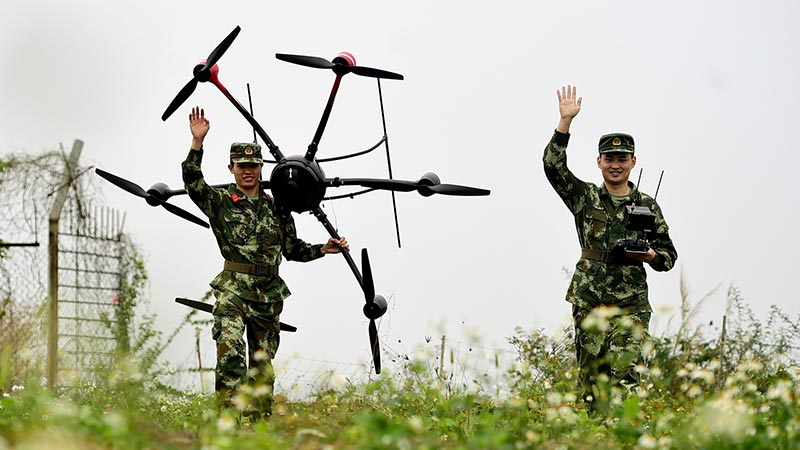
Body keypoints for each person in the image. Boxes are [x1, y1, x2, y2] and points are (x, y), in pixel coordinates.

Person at [182, 106, 348, 420]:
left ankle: (259, 427)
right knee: (230, 354)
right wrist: (197, 142)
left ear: (261, 168)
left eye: (254, 166)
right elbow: (193, 184)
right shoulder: (219, 202)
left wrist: (323, 249)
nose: (248, 171)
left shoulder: (279, 208)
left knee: (261, 366)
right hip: (233, 290)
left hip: (268, 295)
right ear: (231, 168)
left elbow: (292, 249)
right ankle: (227, 424)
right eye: (242, 166)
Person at [542, 86, 677, 411]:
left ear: (633, 162)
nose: (616, 165)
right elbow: (553, 167)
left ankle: (624, 432)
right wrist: (565, 123)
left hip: (630, 305)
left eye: (622, 159)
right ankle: (596, 434)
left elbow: (668, 256)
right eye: (610, 159)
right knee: (592, 382)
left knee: (626, 376)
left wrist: (651, 256)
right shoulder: (585, 197)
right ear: (599, 161)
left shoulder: (647, 205)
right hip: (590, 302)